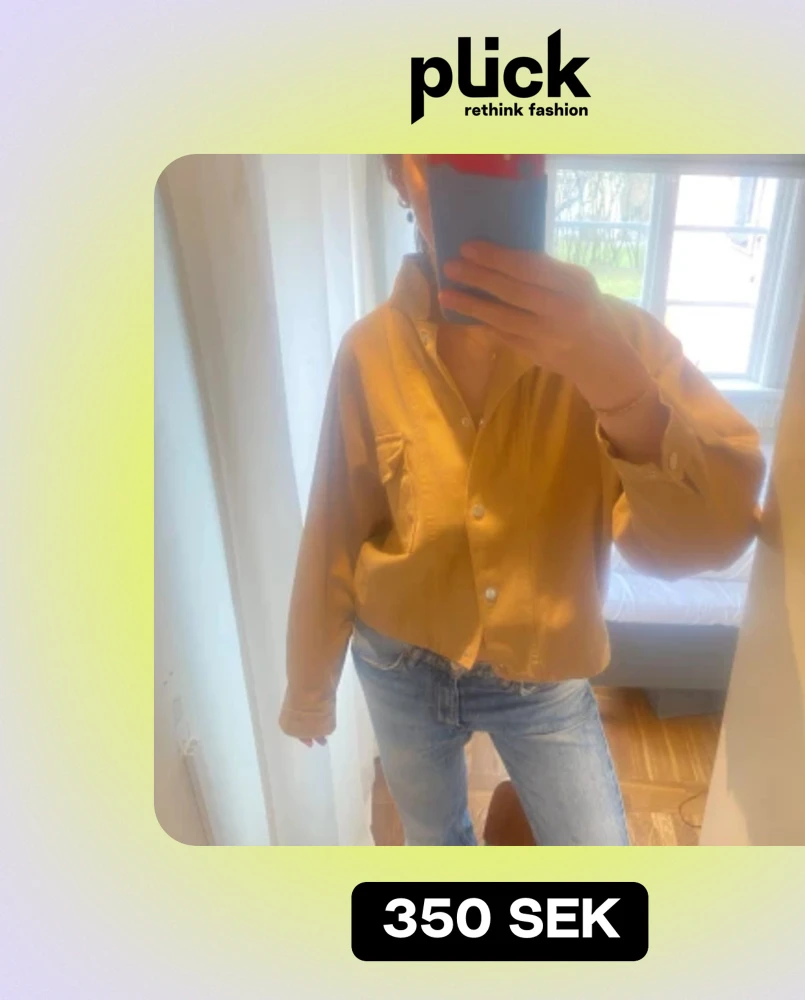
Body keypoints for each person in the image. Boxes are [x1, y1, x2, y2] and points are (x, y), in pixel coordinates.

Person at [278, 154, 765, 846]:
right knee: (435, 844)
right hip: (398, 662)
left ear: (538, 168)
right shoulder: (369, 352)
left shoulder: (618, 338)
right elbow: (335, 522)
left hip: (544, 672)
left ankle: (513, 817)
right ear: (398, 177)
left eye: (505, 153)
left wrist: (620, 390)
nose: (474, 172)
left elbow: (714, 537)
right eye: (444, 158)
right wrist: (309, 687)